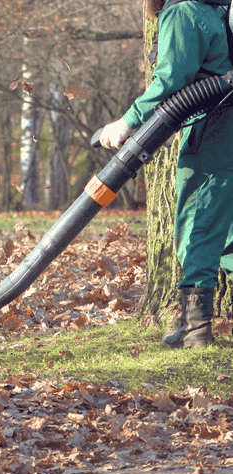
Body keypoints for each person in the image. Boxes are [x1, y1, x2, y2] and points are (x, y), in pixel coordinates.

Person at [99, 0, 233, 348]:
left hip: (216, 133)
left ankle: (197, 331)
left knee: (198, 225)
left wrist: (127, 122)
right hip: (221, 124)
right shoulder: (213, 11)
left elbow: (170, 80)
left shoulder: (182, 11)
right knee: (228, 232)